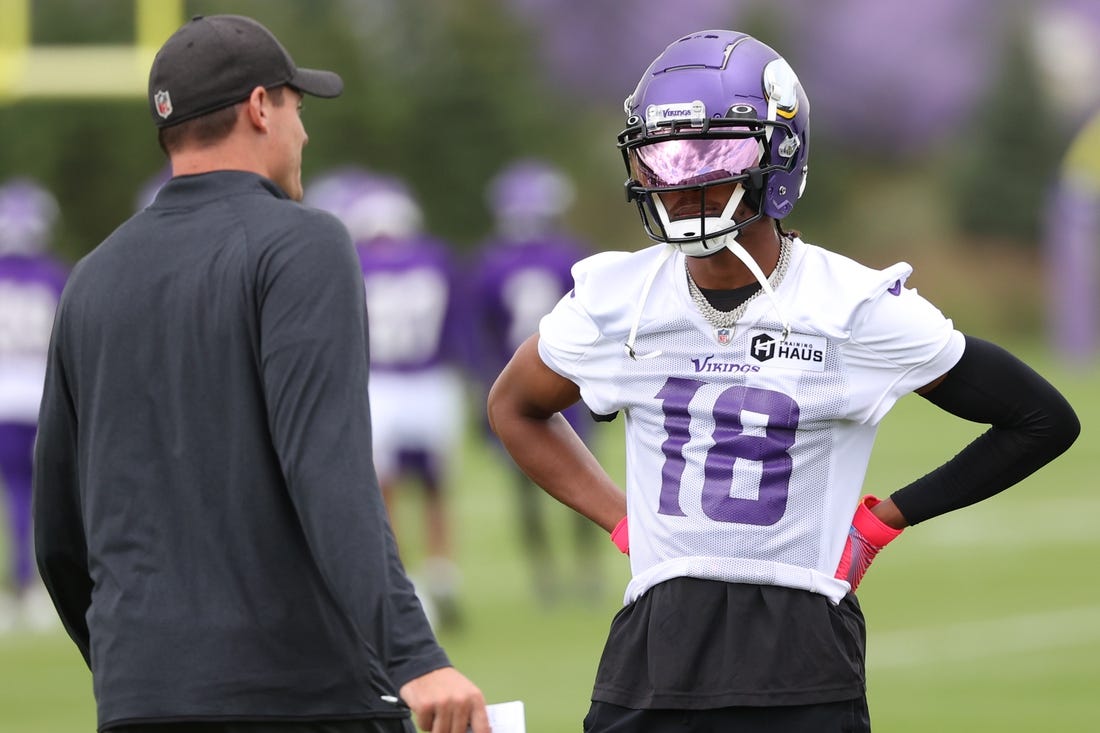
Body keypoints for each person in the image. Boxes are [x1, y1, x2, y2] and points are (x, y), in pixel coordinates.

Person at [486, 30, 1080, 733]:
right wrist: (623, 519)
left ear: (778, 156)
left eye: (711, 154)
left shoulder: (851, 307)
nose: (679, 182)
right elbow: (514, 407)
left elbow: (1040, 419)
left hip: (800, 649)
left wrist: (886, 519)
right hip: (652, 652)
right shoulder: (618, 299)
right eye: (662, 157)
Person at [32, 15, 488, 733]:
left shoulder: (90, 276)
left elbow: (57, 526)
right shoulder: (303, 243)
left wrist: (142, 673)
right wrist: (414, 654)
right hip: (295, 694)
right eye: (298, 109)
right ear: (259, 106)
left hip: (139, 697)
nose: (303, 133)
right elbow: (327, 465)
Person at [305, 167, 469, 630]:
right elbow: (457, 325)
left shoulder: (354, 260)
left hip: (381, 381)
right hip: (433, 379)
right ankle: (442, 573)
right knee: (436, 486)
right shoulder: (435, 257)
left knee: (385, 489)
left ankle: (404, 579)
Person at [469, 159, 604, 605]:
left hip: (519, 380)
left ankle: (546, 575)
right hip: (569, 380)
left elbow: (483, 330)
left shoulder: (491, 261)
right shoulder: (570, 255)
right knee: (585, 477)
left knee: (528, 483)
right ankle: (585, 572)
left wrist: (484, 382)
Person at [0, 177, 68, 633]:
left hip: (3, 396)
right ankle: (32, 586)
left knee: (17, 497)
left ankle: (16, 591)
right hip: (39, 398)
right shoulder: (53, 275)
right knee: (37, 497)